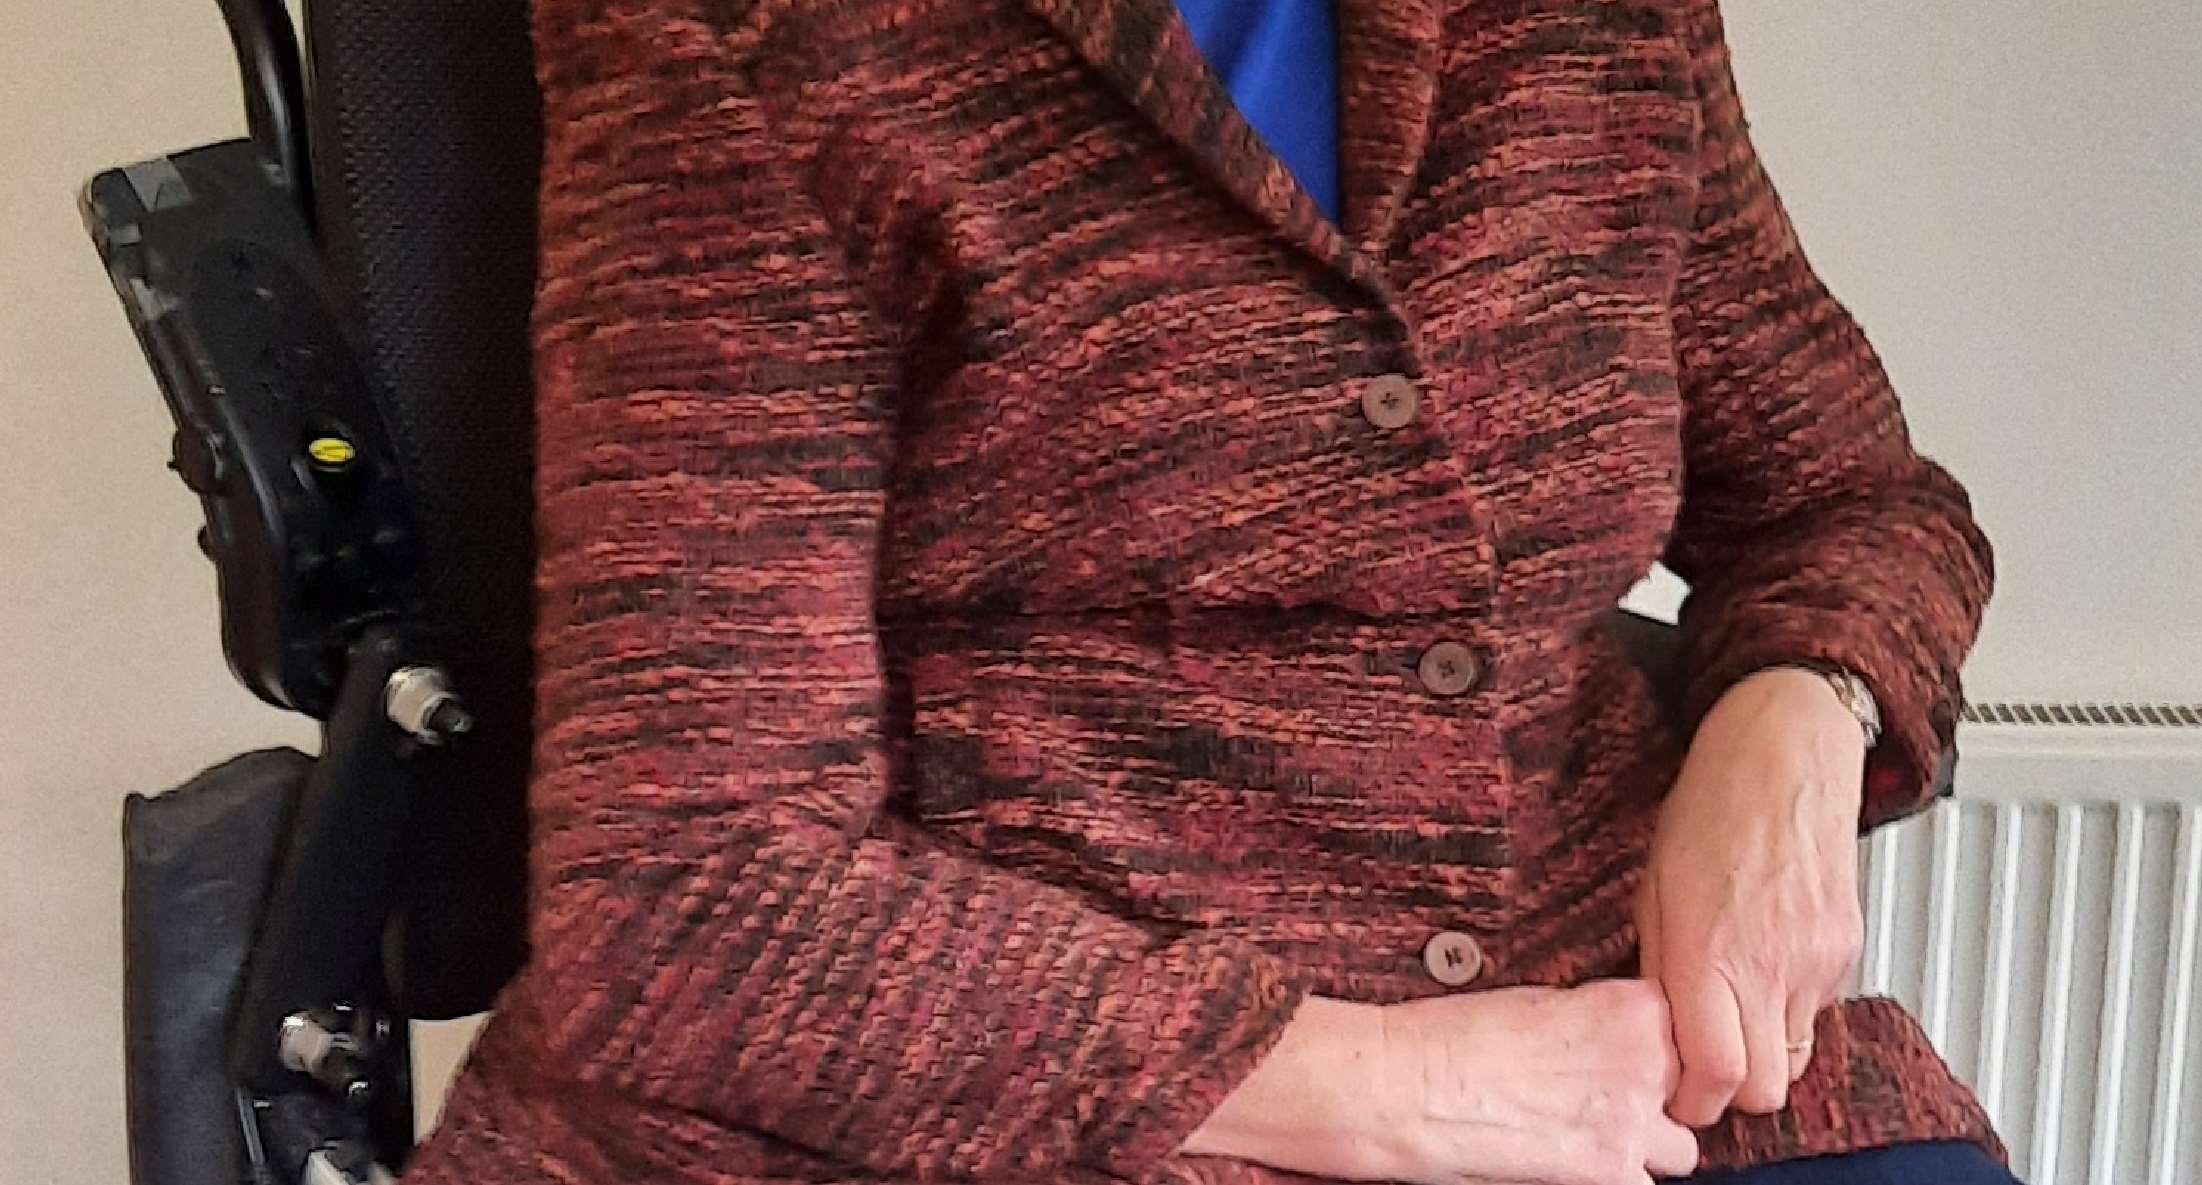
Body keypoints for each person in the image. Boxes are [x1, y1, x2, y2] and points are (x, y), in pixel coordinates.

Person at [401, 1, 2011, 1183]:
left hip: (1618, 1051)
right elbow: (685, 882)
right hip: (992, 1087)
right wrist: (1387, 1083)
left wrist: (1796, 720)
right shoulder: (754, 32)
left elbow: (1845, 499)